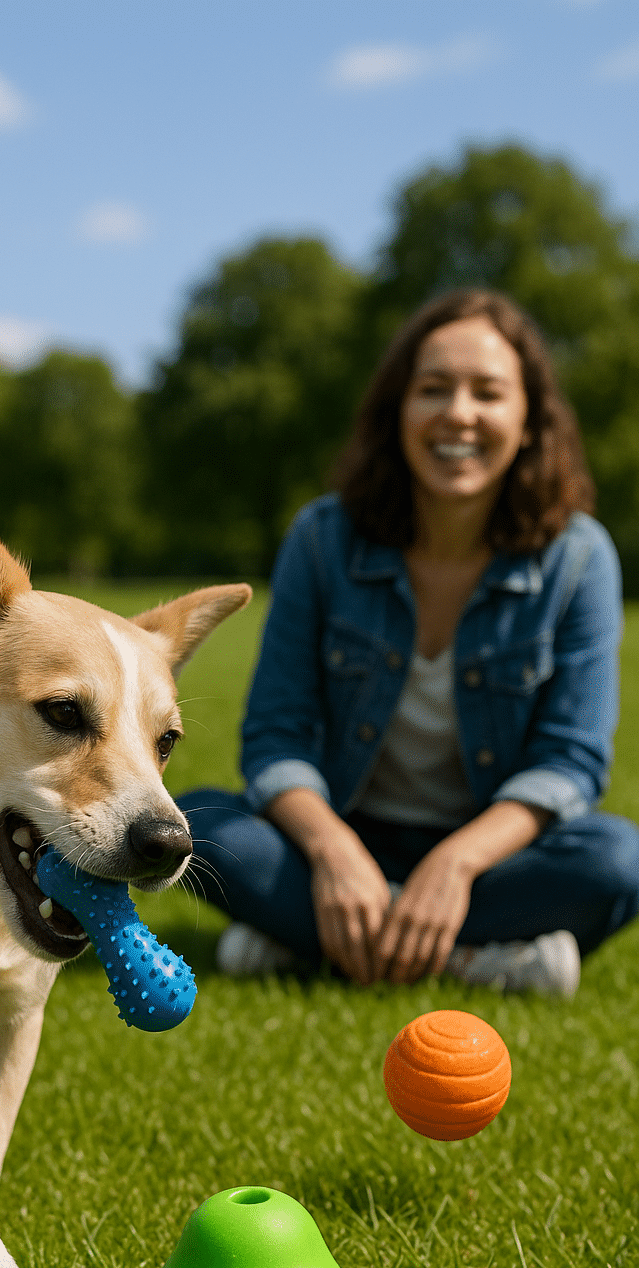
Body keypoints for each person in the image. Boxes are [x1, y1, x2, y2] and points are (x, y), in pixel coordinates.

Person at [179, 288, 639, 998]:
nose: (459, 413)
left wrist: (454, 866)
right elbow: (277, 737)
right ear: (398, 412)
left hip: (491, 856)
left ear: (528, 422)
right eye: (433, 390)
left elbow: (570, 763)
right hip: (338, 834)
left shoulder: (579, 559)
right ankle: (472, 958)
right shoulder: (322, 540)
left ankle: (313, 944)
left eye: (488, 393)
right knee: (204, 826)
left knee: (617, 860)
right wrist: (333, 851)